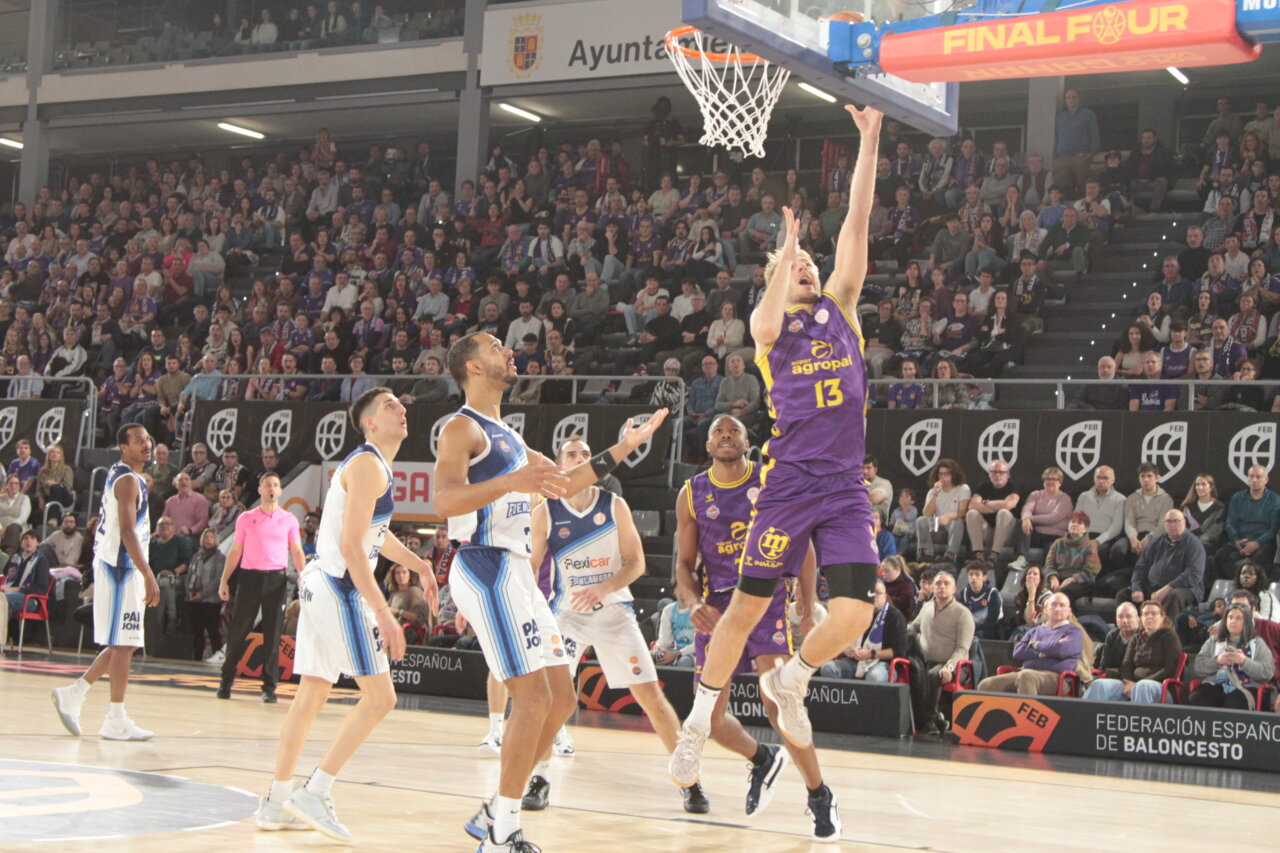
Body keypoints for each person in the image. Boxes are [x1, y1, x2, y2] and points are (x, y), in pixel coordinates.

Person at [670, 108, 884, 826]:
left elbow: (857, 219)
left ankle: (794, 677)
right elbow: (761, 321)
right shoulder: (773, 332)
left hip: (844, 488)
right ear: (773, 277)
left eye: (811, 265)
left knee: (856, 610)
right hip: (788, 485)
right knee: (743, 608)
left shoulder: (843, 312)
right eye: (797, 267)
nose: (811, 268)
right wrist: (783, 251)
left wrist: (869, 137)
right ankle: (699, 722)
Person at [435, 332, 664, 853]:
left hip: (517, 572)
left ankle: (496, 808)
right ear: (471, 365)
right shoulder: (461, 428)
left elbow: (564, 482)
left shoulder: (511, 437)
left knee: (561, 698)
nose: (508, 350)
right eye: (496, 346)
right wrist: (511, 483)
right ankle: (503, 831)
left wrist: (627, 444)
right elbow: (444, 501)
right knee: (532, 698)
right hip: (484, 562)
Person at [257, 388, 437, 840]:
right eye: (390, 405)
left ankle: (277, 801)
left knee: (311, 696)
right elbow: (354, 549)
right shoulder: (367, 465)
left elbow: (374, 537)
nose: (401, 408)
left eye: (401, 403)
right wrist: (383, 610)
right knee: (382, 698)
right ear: (370, 422)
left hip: (320, 584)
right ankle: (314, 791)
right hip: (338, 588)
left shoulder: (374, 466)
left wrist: (417, 564)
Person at [672, 414, 834, 836]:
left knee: (779, 702)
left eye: (734, 431)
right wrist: (690, 603)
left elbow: (804, 544)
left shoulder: (771, 481)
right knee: (709, 719)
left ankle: (819, 796)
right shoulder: (691, 494)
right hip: (719, 605)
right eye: (717, 432)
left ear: (748, 441)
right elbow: (684, 566)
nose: (726, 436)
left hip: (766, 595)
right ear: (707, 446)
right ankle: (763, 759)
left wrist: (806, 602)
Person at [528, 437, 708, 814]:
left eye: (585, 455)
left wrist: (602, 588)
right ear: (561, 466)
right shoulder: (546, 511)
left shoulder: (614, 505)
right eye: (572, 455)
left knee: (652, 700)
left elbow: (636, 563)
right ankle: (539, 779)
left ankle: (688, 780)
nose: (580, 459)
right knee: (551, 699)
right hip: (567, 615)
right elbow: (530, 570)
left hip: (614, 611)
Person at [51, 424, 160, 741]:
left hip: (119, 565)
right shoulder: (127, 480)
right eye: (138, 441)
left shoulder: (126, 474)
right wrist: (148, 573)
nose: (146, 444)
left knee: (122, 642)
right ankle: (115, 717)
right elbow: (127, 531)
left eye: (148, 440)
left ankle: (75, 694)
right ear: (123, 448)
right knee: (125, 644)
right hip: (121, 567)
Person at [216, 472, 307, 702]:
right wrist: (224, 580)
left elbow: (296, 550)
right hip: (249, 578)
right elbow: (235, 550)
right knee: (239, 631)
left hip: (276, 579)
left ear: (280, 490)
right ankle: (226, 681)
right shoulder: (246, 518)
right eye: (268, 485)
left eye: (276, 485)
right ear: (260, 490)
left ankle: (269, 687)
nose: (272, 488)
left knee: (273, 633)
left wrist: (303, 575)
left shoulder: (289, 520)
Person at [907, 570, 976, 733]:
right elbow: (913, 628)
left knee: (934, 674)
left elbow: (962, 648)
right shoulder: (926, 607)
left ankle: (929, 719)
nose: (941, 586)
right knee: (914, 669)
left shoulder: (963, 614)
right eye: (938, 583)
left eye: (946, 583)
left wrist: (949, 667)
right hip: (925, 661)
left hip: (953, 666)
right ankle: (935, 717)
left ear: (954, 589)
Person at [979, 593, 1084, 694]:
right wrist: (1040, 653)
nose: (1057, 608)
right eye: (1054, 604)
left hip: (1057, 677)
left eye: (1062, 605)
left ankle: (1027, 712)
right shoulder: (1035, 630)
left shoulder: (1074, 632)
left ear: (1069, 611)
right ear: (1046, 609)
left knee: (1026, 677)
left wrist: (1036, 645)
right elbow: (1018, 651)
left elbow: (1061, 650)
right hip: (1026, 672)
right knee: (986, 685)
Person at [1084, 599, 1181, 703]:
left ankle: (1140, 719)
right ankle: (1081, 716)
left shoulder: (1169, 637)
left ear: (1162, 617)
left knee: (1142, 686)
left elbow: (1169, 668)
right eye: (1145, 614)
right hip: (1133, 683)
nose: (1149, 616)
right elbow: (1126, 665)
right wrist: (1129, 682)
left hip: (1160, 686)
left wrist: (1141, 682)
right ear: (1141, 619)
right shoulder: (1136, 638)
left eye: (1154, 613)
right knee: (1100, 685)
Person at [1126, 509, 1206, 626]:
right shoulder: (1156, 542)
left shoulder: (1194, 544)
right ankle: (1131, 633)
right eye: (1169, 521)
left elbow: (1193, 574)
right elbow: (1140, 566)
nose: (1172, 525)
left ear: (1184, 522)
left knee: (1172, 596)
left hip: (1184, 588)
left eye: (1176, 521)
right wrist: (1137, 588)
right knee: (1124, 594)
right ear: (1164, 524)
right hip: (1153, 587)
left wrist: (1168, 587)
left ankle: (1165, 634)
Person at [1189, 603, 1274, 709]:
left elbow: (1267, 672)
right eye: (1230, 617)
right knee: (1198, 697)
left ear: (1246, 622)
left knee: (1234, 702)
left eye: (1239, 618)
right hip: (1217, 685)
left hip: (1246, 687)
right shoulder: (1213, 641)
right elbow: (1198, 667)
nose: (1233, 621)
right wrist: (1217, 661)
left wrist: (1244, 662)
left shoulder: (1258, 643)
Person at [819, 579, 907, 681]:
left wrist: (871, 653)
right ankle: (846, 697)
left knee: (874, 676)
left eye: (877, 593)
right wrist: (848, 651)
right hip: (855, 661)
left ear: (885, 596)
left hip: (882, 663)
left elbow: (899, 651)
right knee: (828, 668)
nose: (873, 596)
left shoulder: (895, 617)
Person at [1213, 465, 1280, 582]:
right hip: (1240, 541)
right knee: (1219, 556)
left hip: (1263, 543)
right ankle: (1235, 586)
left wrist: (1257, 543)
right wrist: (1236, 541)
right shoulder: (1237, 498)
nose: (1254, 480)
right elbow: (1230, 523)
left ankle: (1249, 587)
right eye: (1251, 476)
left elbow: (1273, 529)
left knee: (1257, 559)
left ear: (1266, 479)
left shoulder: (1275, 500)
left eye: (1258, 477)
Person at [1, 530, 51, 647]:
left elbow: (39, 589)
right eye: (26, 538)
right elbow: (6, 573)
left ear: (38, 543)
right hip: (9, 596)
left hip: (31, 600)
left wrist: (13, 590)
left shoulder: (41, 561)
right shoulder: (15, 558)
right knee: (3, 600)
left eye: (32, 539)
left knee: (3, 600)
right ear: (21, 542)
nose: (29, 541)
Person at [915, 459, 970, 562]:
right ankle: (926, 554)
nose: (943, 477)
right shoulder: (932, 491)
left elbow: (963, 511)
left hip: (952, 523)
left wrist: (948, 516)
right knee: (921, 520)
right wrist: (935, 494)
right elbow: (926, 514)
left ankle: (950, 555)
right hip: (936, 525)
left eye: (946, 474)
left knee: (957, 522)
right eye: (940, 474)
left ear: (953, 474)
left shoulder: (962, 488)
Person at [964, 460, 1021, 561]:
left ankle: (995, 554)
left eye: (1001, 472)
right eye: (994, 472)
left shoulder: (1013, 486)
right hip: (988, 532)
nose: (997, 475)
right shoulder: (983, 486)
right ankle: (978, 553)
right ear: (989, 474)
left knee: (1003, 512)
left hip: (1007, 533)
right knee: (971, 514)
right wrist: (997, 506)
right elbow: (972, 505)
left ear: (1007, 474)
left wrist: (985, 502)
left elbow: (1008, 505)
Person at [1045, 511, 1101, 604]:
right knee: (1044, 592)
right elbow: (1049, 564)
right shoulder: (1058, 543)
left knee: (1064, 594)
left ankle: (1069, 618)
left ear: (1085, 529)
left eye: (1079, 523)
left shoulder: (1090, 545)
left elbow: (1091, 570)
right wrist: (1053, 577)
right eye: (1072, 522)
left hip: (1081, 581)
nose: (1075, 524)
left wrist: (1072, 579)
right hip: (1059, 577)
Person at [187, 528, 226, 662]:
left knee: (212, 631)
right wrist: (190, 591)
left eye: (211, 537)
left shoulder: (220, 558)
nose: (208, 540)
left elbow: (218, 579)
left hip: (211, 601)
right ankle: (196, 659)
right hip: (195, 601)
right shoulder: (196, 556)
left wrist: (202, 594)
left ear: (216, 540)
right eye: (206, 537)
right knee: (197, 633)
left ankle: (218, 657)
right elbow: (189, 575)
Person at [958, 560, 1003, 640]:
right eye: (971, 575)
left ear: (984, 577)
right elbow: (962, 617)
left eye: (977, 575)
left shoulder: (992, 593)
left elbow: (992, 621)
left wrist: (973, 629)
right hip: (970, 628)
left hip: (989, 629)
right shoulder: (964, 593)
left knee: (978, 635)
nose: (973, 578)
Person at [1095, 601, 1140, 678]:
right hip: (1115, 678)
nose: (1124, 620)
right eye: (1120, 617)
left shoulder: (1143, 636)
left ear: (1137, 619)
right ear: (1116, 619)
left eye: (1129, 616)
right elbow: (1106, 667)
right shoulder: (1112, 635)